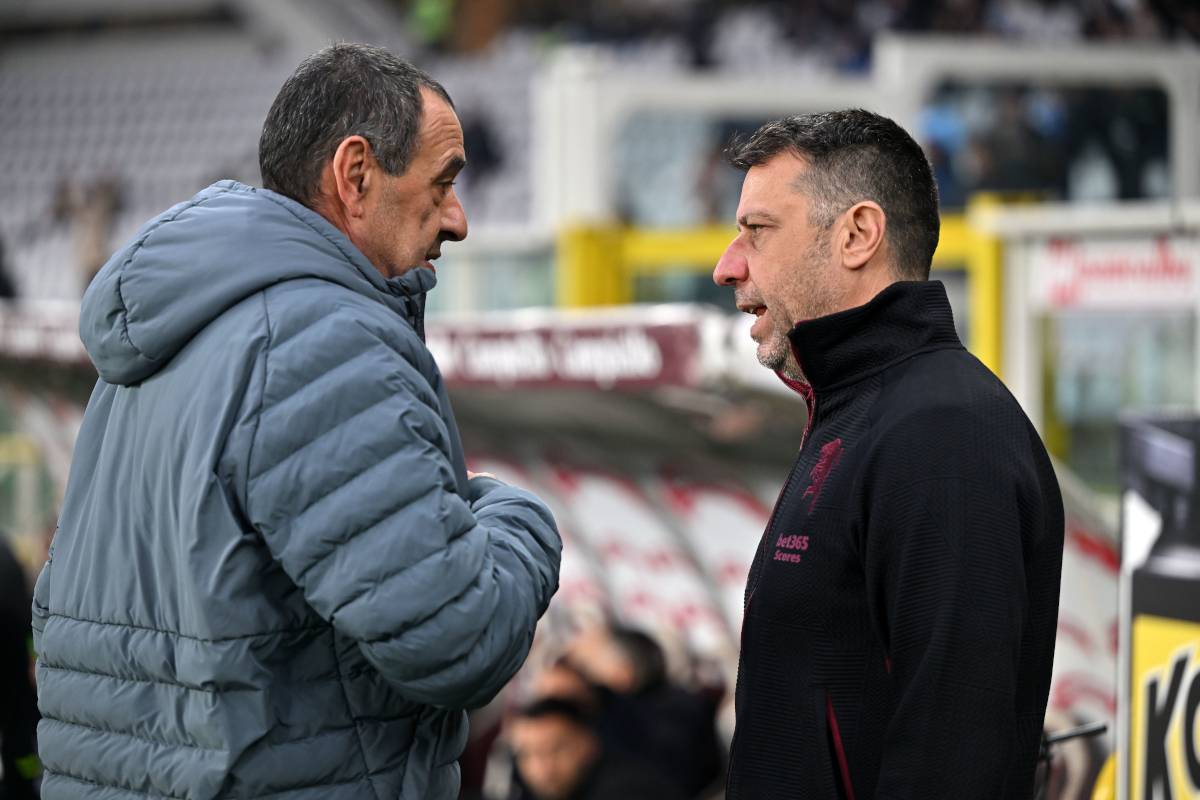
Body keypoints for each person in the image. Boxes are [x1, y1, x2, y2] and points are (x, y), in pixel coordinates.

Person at [32, 43, 561, 800]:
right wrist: (518, 517)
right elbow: (456, 638)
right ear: (355, 175)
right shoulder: (319, 340)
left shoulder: (175, 330)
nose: (459, 218)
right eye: (443, 182)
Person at [713, 110, 1064, 799]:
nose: (727, 266)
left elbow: (953, 762)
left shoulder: (944, 434)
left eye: (757, 231)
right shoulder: (863, 411)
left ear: (857, 234)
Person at [507, 699, 682, 800]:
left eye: (556, 749)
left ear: (589, 743)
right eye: (527, 754)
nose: (543, 767)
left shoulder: (628, 791)